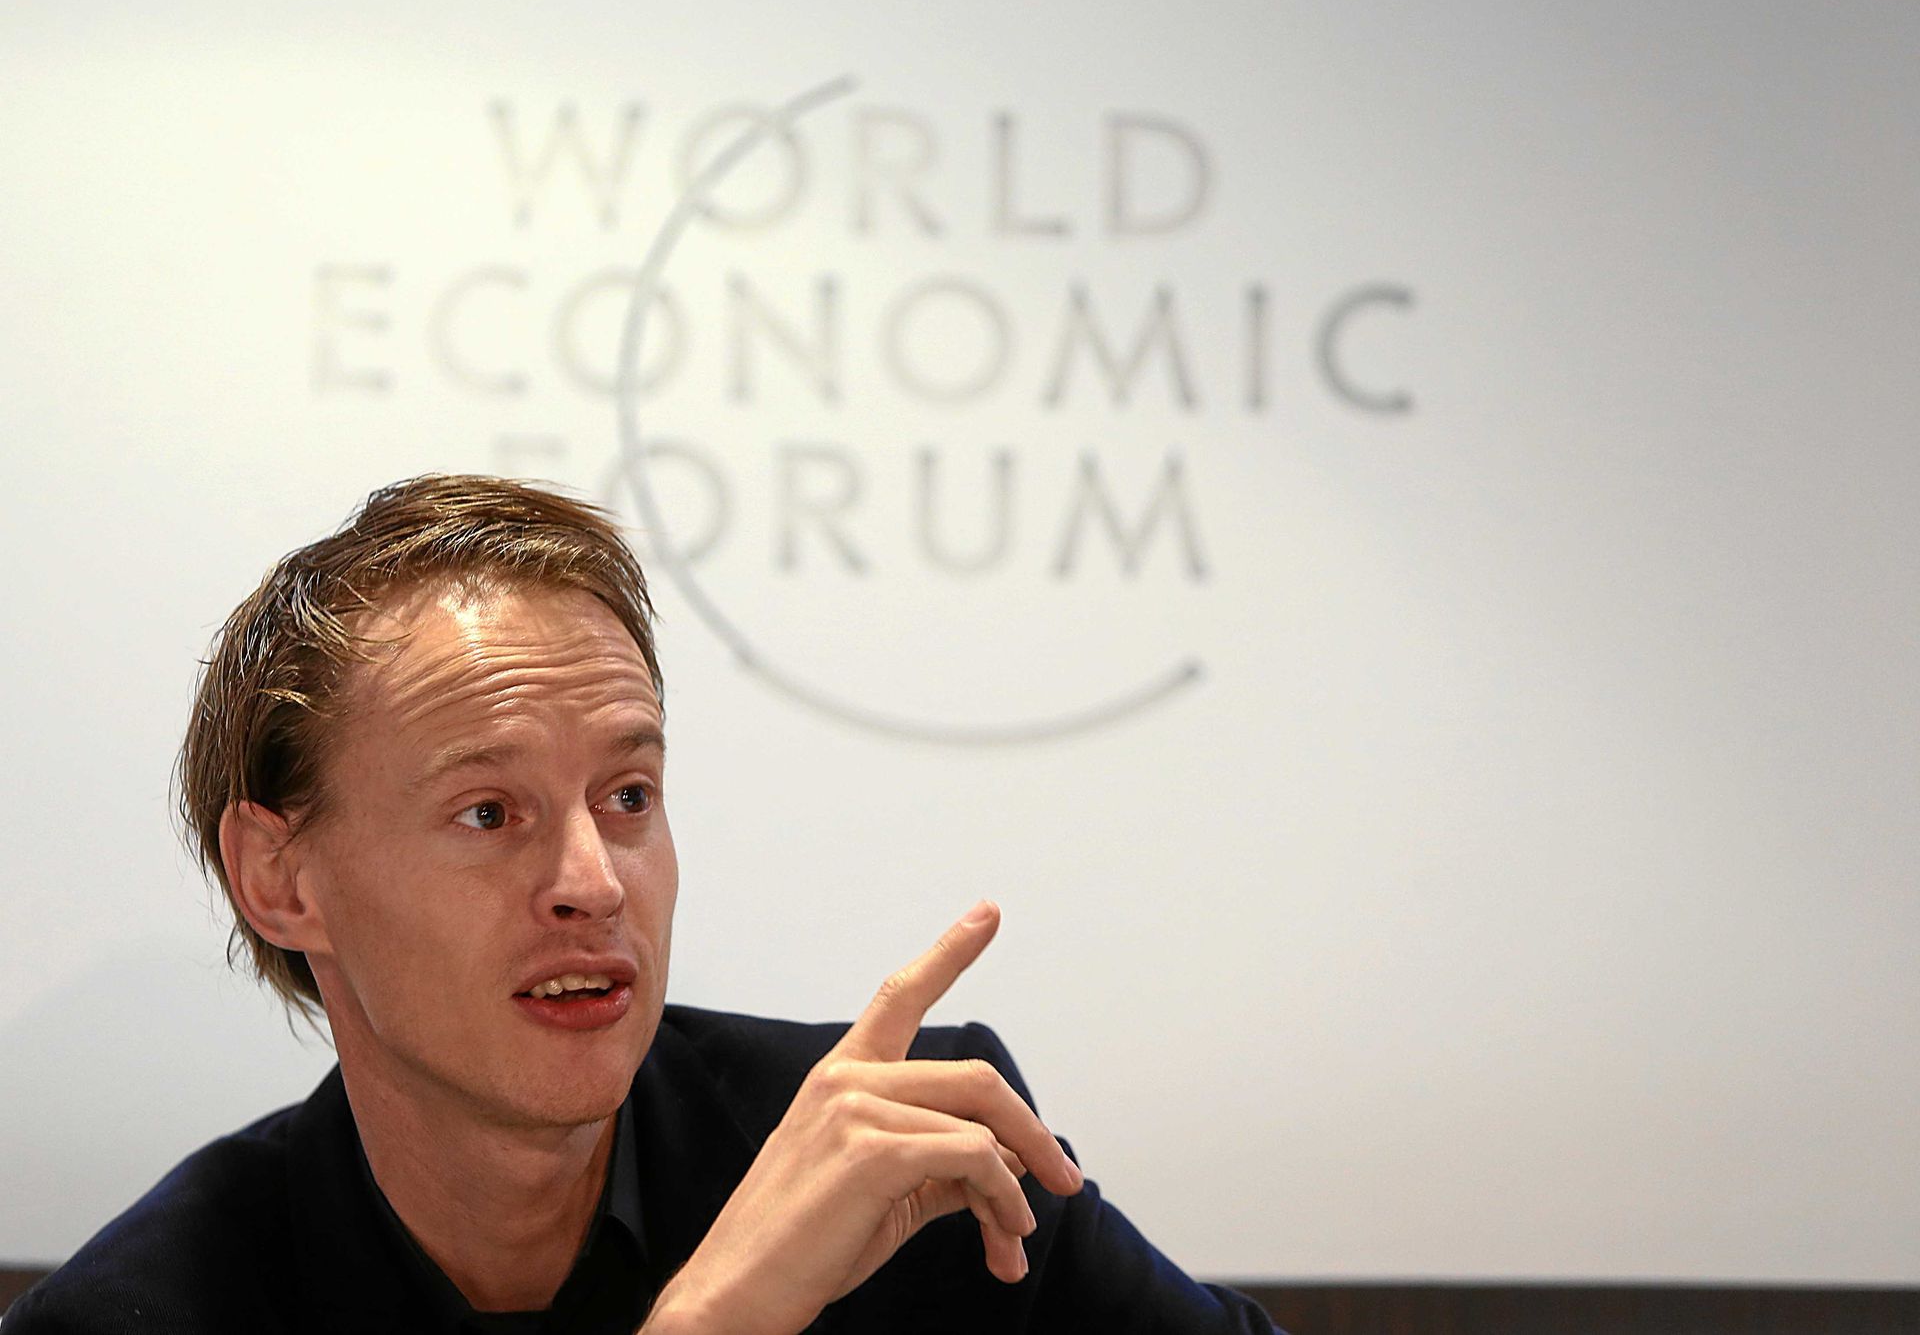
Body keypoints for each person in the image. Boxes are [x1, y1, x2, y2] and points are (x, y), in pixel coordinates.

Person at [7, 474, 1281, 1333]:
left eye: (627, 796)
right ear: (281, 880)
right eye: (489, 813)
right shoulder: (144, 1312)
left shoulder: (911, 1163)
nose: (593, 882)